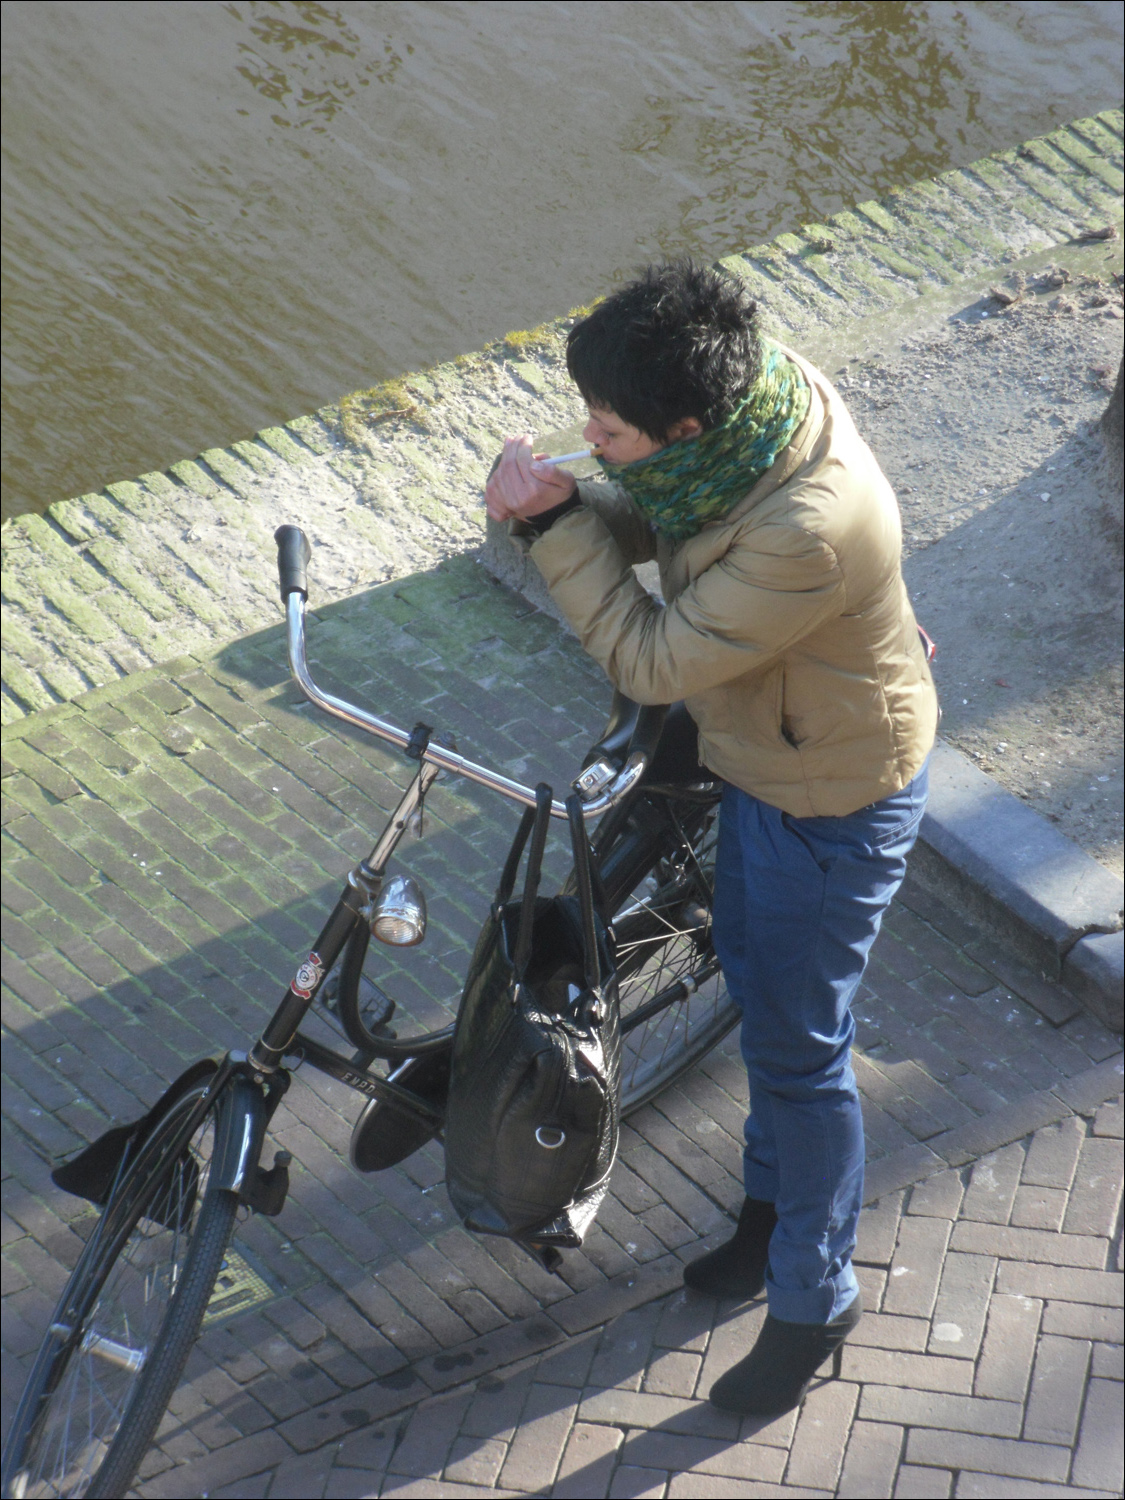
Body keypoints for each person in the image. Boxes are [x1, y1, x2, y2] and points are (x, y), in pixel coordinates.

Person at [484, 260, 938, 1416]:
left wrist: (553, 530)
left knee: (802, 1056)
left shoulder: (806, 532)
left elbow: (650, 658)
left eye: (609, 426)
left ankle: (813, 1298)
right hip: (768, 757)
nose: (588, 435)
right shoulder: (753, 409)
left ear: (684, 423)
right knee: (764, 997)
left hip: (825, 799)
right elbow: (666, 506)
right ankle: (768, 1221)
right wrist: (582, 502)